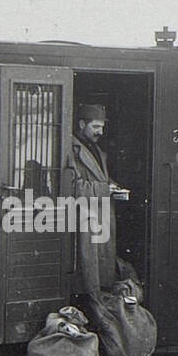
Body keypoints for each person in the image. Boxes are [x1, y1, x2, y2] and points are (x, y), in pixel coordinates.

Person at [63, 103, 128, 299]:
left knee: (99, 271)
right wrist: (104, 189)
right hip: (84, 219)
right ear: (82, 124)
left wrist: (114, 187)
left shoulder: (96, 150)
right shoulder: (70, 149)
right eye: (96, 127)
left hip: (99, 216)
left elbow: (100, 179)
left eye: (102, 127)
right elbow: (71, 187)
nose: (100, 132)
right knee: (86, 274)